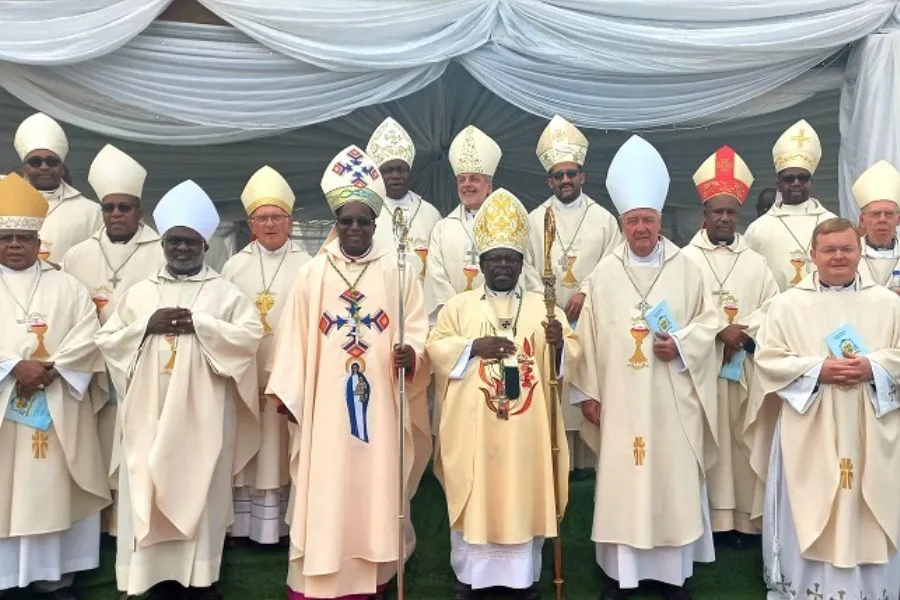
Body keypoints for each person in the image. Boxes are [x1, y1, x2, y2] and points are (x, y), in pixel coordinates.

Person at [265, 145, 431, 600]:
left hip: (382, 408)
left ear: (375, 224)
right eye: (346, 220)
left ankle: (372, 577)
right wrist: (290, 395)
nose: (354, 228)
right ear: (335, 223)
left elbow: (417, 325)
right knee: (327, 487)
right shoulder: (313, 274)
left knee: (376, 488)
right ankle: (318, 580)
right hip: (325, 412)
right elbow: (293, 338)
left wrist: (411, 353)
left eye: (363, 221)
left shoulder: (400, 272)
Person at [95, 180, 263, 600]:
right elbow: (109, 342)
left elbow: (249, 338)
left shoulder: (225, 293)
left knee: (200, 489)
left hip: (204, 418)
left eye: (190, 242)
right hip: (147, 417)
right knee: (146, 484)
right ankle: (145, 579)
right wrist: (145, 327)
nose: (182, 249)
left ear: (205, 245)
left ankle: (201, 580)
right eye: (174, 242)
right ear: (163, 244)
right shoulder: (140, 293)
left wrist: (201, 325)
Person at [569, 136, 720, 600]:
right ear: (622, 223)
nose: (641, 228)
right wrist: (587, 393)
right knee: (623, 483)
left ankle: (671, 576)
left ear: (659, 221)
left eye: (648, 220)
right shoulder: (604, 274)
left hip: (672, 398)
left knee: (670, 482)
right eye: (632, 220)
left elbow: (710, 321)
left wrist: (683, 345)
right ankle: (622, 576)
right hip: (619, 399)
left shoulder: (688, 267)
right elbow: (586, 337)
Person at [427, 188, 578, 600]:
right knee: (478, 496)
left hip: (526, 433)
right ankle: (471, 577)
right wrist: (472, 347)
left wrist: (558, 343)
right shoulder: (458, 307)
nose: (502, 266)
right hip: (475, 431)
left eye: (510, 259)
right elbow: (436, 347)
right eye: (494, 258)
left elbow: (572, 355)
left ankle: (523, 578)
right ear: (481, 264)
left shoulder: (544, 309)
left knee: (523, 495)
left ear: (521, 264)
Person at [746, 217, 900, 600]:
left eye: (847, 249)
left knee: (869, 502)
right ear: (812, 255)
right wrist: (818, 369)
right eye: (829, 250)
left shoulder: (888, 304)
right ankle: (805, 589)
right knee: (811, 502)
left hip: (871, 423)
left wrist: (873, 366)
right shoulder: (785, 305)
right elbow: (767, 360)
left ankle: (872, 590)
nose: (838, 257)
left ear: (859, 252)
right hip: (809, 425)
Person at [0, 173, 109, 600]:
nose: (13, 245)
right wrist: (12, 367)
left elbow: (89, 336)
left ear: (36, 240)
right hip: (8, 410)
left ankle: (57, 577)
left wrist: (50, 369)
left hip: (57, 404)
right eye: (5, 237)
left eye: (22, 238)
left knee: (54, 490)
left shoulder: (68, 286)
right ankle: (7, 577)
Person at [61, 144, 165, 537]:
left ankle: (131, 527)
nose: (117, 214)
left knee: (136, 450)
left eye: (125, 207)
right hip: (90, 370)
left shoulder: (161, 251)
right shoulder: (78, 255)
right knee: (94, 448)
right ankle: (94, 530)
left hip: (141, 369)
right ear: (101, 211)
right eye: (109, 208)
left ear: (140, 210)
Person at [681, 146, 779, 549]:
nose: (724, 218)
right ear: (704, 214)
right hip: (703, 370)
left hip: (744, 368)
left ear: (738, 216)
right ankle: (710, 521)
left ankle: (744, 522)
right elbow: (679, 312)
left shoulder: (755, 262)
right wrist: (719, 331)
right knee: (709, 439)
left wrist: (743, 330)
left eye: (731, 212)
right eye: (717, 211)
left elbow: (774, 305)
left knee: (742, 441)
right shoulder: (684, 261)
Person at [526, 114, 621, 479]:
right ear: (549, 179)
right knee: (555, 386)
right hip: (550, 322)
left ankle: (591, 462)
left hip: (592, 320)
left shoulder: (604, 220)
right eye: (558, 175)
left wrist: (584, 291)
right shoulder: (536, 220)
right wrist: (549, 306)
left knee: (590, 382)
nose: (565, 180)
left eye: (571, 173)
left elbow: (613, 263)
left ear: (582, 175)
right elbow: (527, 267)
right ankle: (559, 462)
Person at [222, 166, 310, 546]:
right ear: (251, 224)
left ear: (290, 221)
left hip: (291, 375)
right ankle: (244, 526)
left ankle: (286, 526)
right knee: (249, 438)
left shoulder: (309, 267)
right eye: (263, 218)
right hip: (246, 371)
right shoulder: (232, 266)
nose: (270, 224)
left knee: (283, 446)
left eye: (277, 217)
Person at [425, 125, 539, 321]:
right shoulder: (443, 228)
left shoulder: (513, 223)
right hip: (457, 319)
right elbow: (437, 279)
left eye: (474, 179)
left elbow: (524, 270)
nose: (466, 185)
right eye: (461, 179)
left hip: (504, 315)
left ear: (489, 186)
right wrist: (461, 314)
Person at [744, 120, 837, 290]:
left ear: (811, 182)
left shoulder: (832, 224)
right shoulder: (758, 229)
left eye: (803, 178)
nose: (796, 183)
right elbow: (748, 279)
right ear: (778, 184)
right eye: (789, 178)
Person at [12, 113, 103, 264]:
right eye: (35, 162)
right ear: (24, 168)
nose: (44, 167)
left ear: (62, 167)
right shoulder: (4, 200)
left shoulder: (91, 212)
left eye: (51, 161)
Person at [366, 117, 440, 282]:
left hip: (421, 300)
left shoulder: (430, 213)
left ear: (410, 172)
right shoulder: (367, 212)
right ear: (377, 174)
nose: (395, 176)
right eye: (387, 170)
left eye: (401, 169)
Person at [851, 160, 900, 290]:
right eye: (876, 214)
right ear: (862, 219)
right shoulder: (848, 254)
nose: (882, 219)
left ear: (898, 219)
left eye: (889, 214)